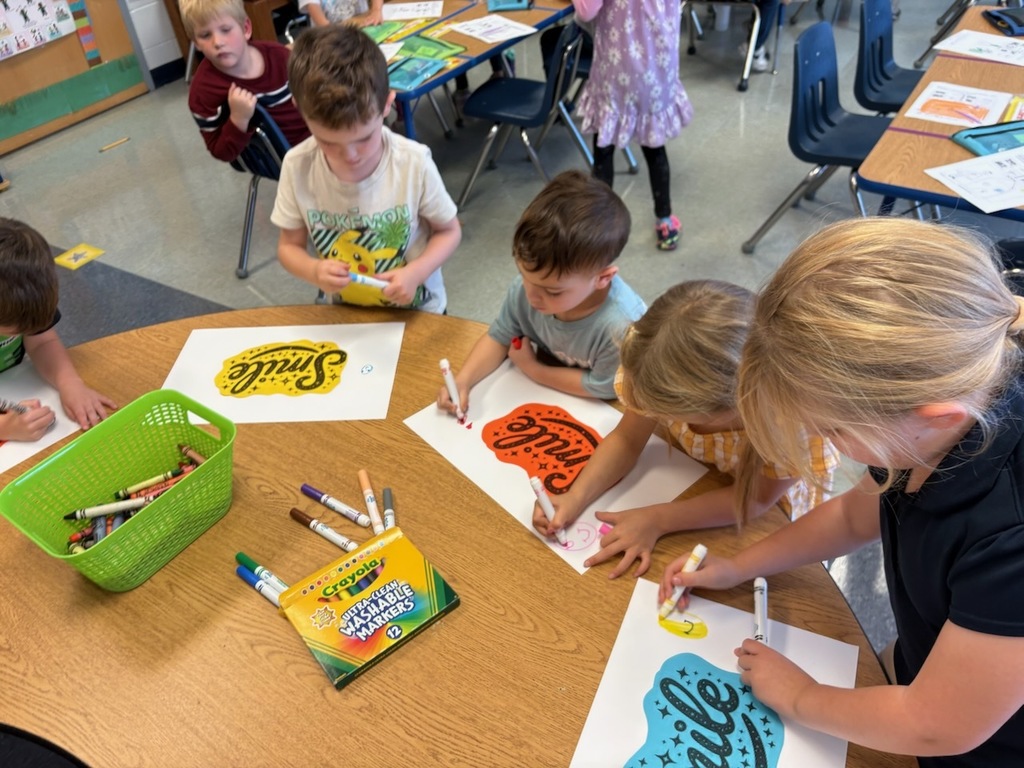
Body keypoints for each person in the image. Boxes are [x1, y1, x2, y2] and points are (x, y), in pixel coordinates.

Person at [661, 218, 1024, 767]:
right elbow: (857, 514)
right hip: (933, 659)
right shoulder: (938, 401)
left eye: (833, 430)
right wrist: (738, 568)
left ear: (935, 415)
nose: (825, 443)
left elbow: (938, 724)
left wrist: (801, 696)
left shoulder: (1009, 539)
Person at [533, 280, 838, 577]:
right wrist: (575, 497)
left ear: (728, 409)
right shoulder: (654, 362)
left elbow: (756, 499)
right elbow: (627, 439)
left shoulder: (792, 428)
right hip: (701, 475)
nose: (651, 414)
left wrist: (659, 519)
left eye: (665, 413)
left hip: (768, 507)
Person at [271, 25, 461, 314]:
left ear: (387, 104)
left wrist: (416, 273)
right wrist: (313, 270)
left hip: (421, 311)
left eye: (364, 139)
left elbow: (449, 232)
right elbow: (288, 247)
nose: (350, 156)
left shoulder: (413, 162)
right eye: (328, 142)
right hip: (349, 315)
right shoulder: (298, 165)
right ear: (300, 110)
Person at [437, 170, 644, 414]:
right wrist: (464, 381)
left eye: (553, 292)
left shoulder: (622, 327)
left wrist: (534, 370)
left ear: (603, 278)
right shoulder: (526, 291)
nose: (532, 296)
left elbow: (604, 387)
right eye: (525, 277)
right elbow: (499, 337)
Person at [572, 0, 694, 251]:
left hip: (616, 72)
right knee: (655, 148)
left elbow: (586, 11)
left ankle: (598, 224)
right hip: (657, 71)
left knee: (603, 150)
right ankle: (665, 220)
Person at [0, 218, 115, 441]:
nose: (21, 335)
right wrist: (4, 428)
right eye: (10, 331)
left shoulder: (24, 296)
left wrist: (70, 384)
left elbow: (42, 342)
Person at [180, 0, 311, 162]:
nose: (218, 42)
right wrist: (238, 119)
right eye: (205, 35)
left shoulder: (279, 57)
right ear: (196, 43)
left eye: (226, 30)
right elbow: (221, 152)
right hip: (278, 158)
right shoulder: (203, 92)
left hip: (320, 136)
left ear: (246, 28)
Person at [299, 0, 382, 28]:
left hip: (363, 24)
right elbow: (313, 7)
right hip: (330, 35)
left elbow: (376, 10)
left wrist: (376, 10)